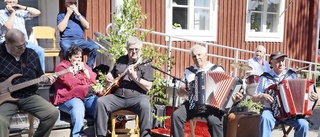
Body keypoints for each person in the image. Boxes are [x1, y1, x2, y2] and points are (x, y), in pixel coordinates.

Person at [171, 44, 244, 137]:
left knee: (214, 122)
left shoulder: (217, 69)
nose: (197, 58)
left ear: (206, 55)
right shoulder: (189, 71)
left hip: (211, 106)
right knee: (176, 116)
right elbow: (180, 93)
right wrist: (182, 90)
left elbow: (227, 89)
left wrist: (235, 97)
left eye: (199, 55)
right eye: (194, 56)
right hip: (193, 104)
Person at [0, 29, 59, 137]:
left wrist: (46, 79)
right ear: (7, 43)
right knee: (0, 121)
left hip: (28, 95)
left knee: (52, 113)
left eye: (24, 44)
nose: (23, 48)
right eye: (19, 46)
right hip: (4, 99)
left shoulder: (32, 54)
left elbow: (40, 75)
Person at [95, 37, 154, 137]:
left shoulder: (146, 64)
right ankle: (100, 135)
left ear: (140, 50)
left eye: (136, 49)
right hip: (118, 97)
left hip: (137, 98)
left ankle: (146, 135)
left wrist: (134, 77)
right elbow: (112, 74)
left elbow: (148, 86)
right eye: (131, 49)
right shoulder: (121, 60)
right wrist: (108, 76)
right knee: (101, 102)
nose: (134, 52)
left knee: (145, 105)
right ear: (127, 50)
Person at [251, 51, 319, 137]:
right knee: (265, 118)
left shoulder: (291, 75)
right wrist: (262, 96)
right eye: (277, 62)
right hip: (271, 112)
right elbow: (254, 97)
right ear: (271, 63)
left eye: (282, 61)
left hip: (291, 114)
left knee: (303, 124)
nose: (281, 64)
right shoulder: (265, 77)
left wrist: (313, 97)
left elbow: (302, 93)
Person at [52, 45, 98, 137]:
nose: (79, 60)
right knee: (78, 107)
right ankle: (78, 134)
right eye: (76, 57)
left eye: (80, 57)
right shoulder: (62, 67)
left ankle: (102, 132)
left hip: (86, 96)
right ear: (69, 57)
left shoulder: (83, 65)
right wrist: (85, 85)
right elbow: (71, 83)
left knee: (99, 104)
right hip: (68, 97)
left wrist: (85, 70)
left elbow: (93, 79)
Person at [0, 0, 45, 72]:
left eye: (14, 1)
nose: (12, 4)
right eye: (9, 2)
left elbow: (38, 12)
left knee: (40, 51)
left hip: (24, 42)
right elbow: (8, 27)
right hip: (7, 43)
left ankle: (40, 75)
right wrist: (13, 13)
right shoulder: (1, 13)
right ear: (5, 3)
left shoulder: (20, 12)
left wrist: (21, 7)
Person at [57, 0, 99, 69]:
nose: (73, 5)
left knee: (95, 47)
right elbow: (61, 28)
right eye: (70, 3)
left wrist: (78, 14)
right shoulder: (61, 15)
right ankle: (68, 69)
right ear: (65, 4)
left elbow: (87, 26)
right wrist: (68, 14)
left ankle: (88, 69)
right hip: (67, 40)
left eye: (74, 3)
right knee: (67, 49)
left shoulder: (80, 15)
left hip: (80, 41)